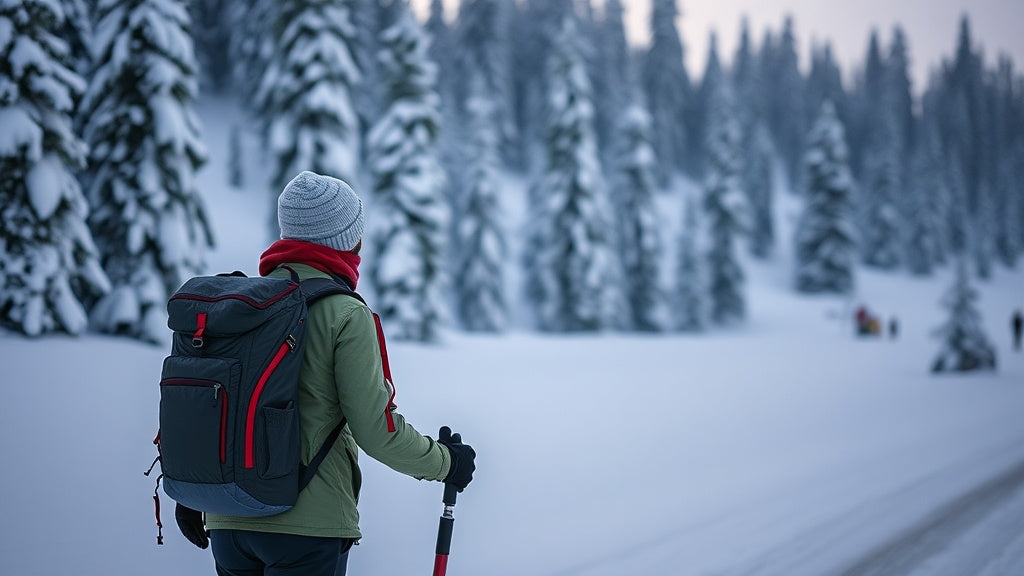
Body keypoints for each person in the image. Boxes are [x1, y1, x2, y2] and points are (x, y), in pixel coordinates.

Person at [173, 171, 476, 575]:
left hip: (228, 521)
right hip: (307, 529)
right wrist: (446, 463)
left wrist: (192, 493)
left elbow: (206, 409)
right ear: (348, 240)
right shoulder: (344, 313)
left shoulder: (241, 307)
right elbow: (377, 431)